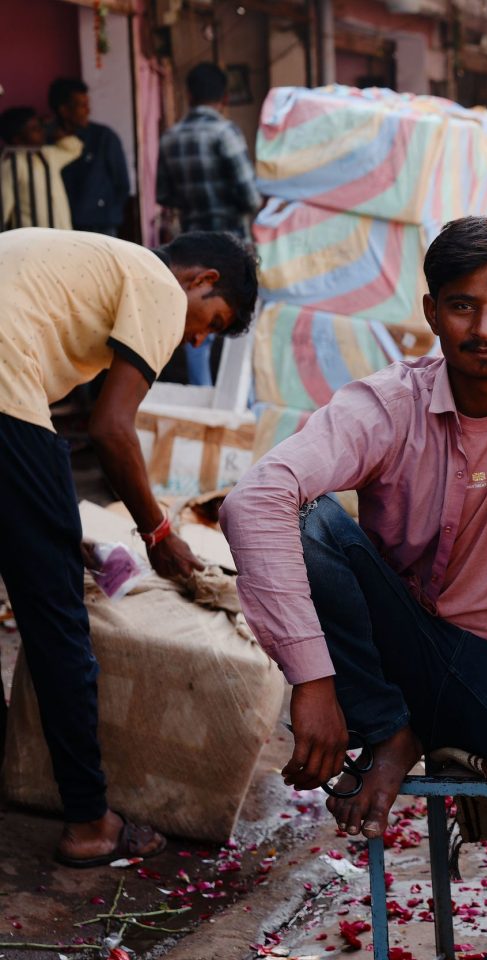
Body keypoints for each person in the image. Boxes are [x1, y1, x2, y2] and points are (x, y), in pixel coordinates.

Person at [219, 216, 487, 958]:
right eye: (462, 305)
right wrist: (313, 681)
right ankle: (390, 725)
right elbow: (253, 499)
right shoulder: (388, 402)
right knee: (312, 520)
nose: (485, 327)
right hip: (406, 645)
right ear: (431, 314)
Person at [0, 228, 257, 867]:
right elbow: (111, 429)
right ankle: (90, 821)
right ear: (202, 281)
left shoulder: (86, 259)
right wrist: (159, 533)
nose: (195, 339)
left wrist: (64, 529)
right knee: (59, 623)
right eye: (211, 322)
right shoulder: (155, 282)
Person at [156, 62, 262, 387]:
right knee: (235, 322)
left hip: (191, 250)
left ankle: (201, 390)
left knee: (195, 324)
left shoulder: (171, 137)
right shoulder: (225, 133)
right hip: (233, 249)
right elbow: (251, 198)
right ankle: (236, 399)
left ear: (188, 95)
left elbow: (164, 194)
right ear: (225, 97)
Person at [50, 78, 130, 237]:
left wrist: (107, 213)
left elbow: (122, 184)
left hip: (102, 226)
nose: (88, 110)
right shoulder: (50, 141)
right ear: (64, 110)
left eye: (88, 103)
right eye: (81, 105)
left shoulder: (103, 137)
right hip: (62, 226)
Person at [1, 106, 81, 229]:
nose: (41, 131)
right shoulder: (13, 164)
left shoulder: (46, 155)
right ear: (17, 138)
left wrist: (56, 132)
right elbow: (3, 208)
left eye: (40, 127)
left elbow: (74, 148)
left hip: (62, 233)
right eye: (34, 129)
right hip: (33, 240)